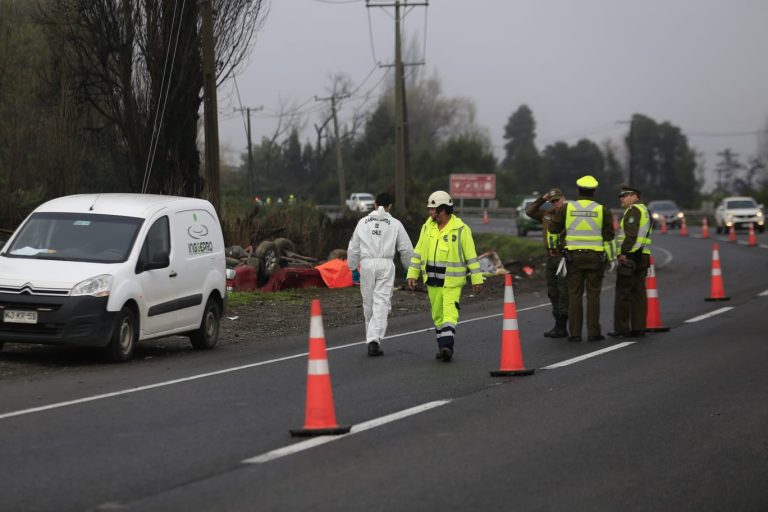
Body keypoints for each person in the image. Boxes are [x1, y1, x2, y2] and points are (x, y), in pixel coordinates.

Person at [406, 190, 483, 362]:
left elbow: (471, 256)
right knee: (438, 316)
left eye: (433, 210)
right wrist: (413, 273)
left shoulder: (461, 230)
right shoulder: (427, 227)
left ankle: (447, 345)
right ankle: (443, 347)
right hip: (432, 281)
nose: (430, 213)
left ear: (443, 210)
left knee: (450, 313)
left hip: (452, 282)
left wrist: (476, 278)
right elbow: (418, 251)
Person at [548, 175, 615, 342]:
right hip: (595, 257)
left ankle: (575, 334)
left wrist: (557, 244)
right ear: (594, 191)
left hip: (573, 257)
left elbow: (553, 228)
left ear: (578, 191)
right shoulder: (602, 210)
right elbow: (609, 236)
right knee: (593, 295)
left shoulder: (567, 208)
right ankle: (594, 333)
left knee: (574, 294)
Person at [347, 193, 413, 356]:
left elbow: (353, 247)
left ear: (375, 204)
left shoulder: (362, 222)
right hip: (385, 264)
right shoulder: (395, 223)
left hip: (367, 264)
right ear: (390, 205)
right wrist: (409, 268)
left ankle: (372, 339)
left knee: (368, 304)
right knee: (382, 302)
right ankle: (374, 340)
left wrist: (353, 267)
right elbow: (406, 249)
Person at [608, 185, 652, 338]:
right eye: (620, 196)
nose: (621, 198)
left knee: (623, 293)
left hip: (631, 256)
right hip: (643, 256)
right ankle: (639, 328)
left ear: (635, 196)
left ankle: (621, 329)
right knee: (639, 294)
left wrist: (623, 253)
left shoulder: (633, 211)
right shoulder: (645, 210)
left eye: (625, 195)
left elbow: (631, 235)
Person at [525, 188, 569, 338]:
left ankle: (563, 325)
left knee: (563, 291)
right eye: (553, 201)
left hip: (564, 256)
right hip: (550, 257)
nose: (556, 203)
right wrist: (542, 199)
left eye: (558, 200)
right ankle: (557, 324)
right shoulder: (547, 215)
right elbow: (529, 212)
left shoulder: (570, 214)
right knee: (553, 291)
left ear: (563, 198)